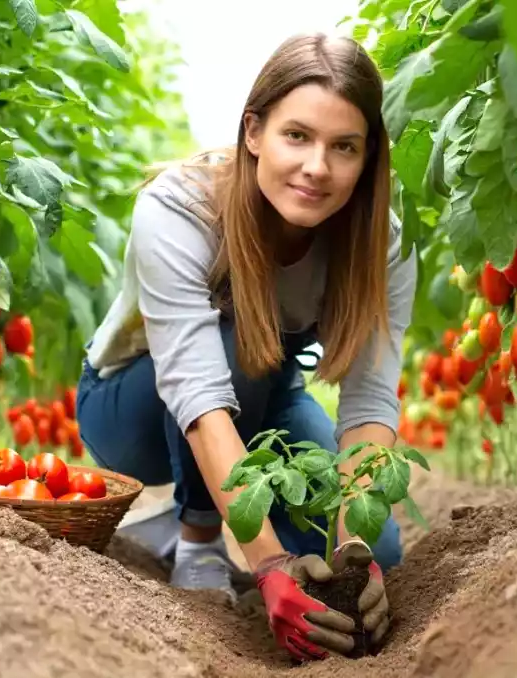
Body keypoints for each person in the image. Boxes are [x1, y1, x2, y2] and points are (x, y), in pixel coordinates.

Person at [75, 32, 415, 661]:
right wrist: (269, 563)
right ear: (254, 132)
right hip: (134, 408)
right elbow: (200, 398)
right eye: (298, 136)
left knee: (382, 548)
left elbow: (369, 402)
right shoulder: (180, 207)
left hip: (264, 402)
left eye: (344, 147)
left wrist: (352, 551)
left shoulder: (379, 241)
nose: (318, 166)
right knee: (240, 338)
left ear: (369, 159)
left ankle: (171, 529)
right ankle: (198, 538)